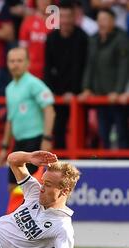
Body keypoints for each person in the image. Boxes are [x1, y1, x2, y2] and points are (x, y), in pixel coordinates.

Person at [0, 47, 55, 194]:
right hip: (19, 142)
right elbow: (10, 119)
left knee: (33, 186)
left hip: (34, 140)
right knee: (13, 186)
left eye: (19, 61)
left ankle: (36, 217)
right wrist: (5, 146)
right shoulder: (9, 88)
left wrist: (47, 138)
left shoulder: (33, 83)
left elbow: (49, 110)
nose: (15, 64)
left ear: (27, 63)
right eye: (12, 61)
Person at [79, 8, 128, 149]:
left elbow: (123, 67)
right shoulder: (93, 39)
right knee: (103, 133)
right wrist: (86, 87)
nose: (101, 24)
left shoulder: (121, 38)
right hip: (99, 95)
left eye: (105, 20)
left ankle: (123, 166)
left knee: (121, 133)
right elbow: (89, 65)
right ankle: (105, 163)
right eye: (99, 20)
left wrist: (118, 91)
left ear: (113, 21)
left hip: (116, 98)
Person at [44, 0, 88, 149]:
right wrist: (51, 93)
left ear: (74, 17)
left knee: (82, 129)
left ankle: (83, 163)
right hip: (57, 94)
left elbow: (82, 68)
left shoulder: (82, 38)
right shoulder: (51, 38)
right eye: (61, 16)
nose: (65, 21)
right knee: (58, 129)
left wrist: (74, 92)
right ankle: (59, 165)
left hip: (78, 94)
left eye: (68, 16)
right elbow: (48, 68)